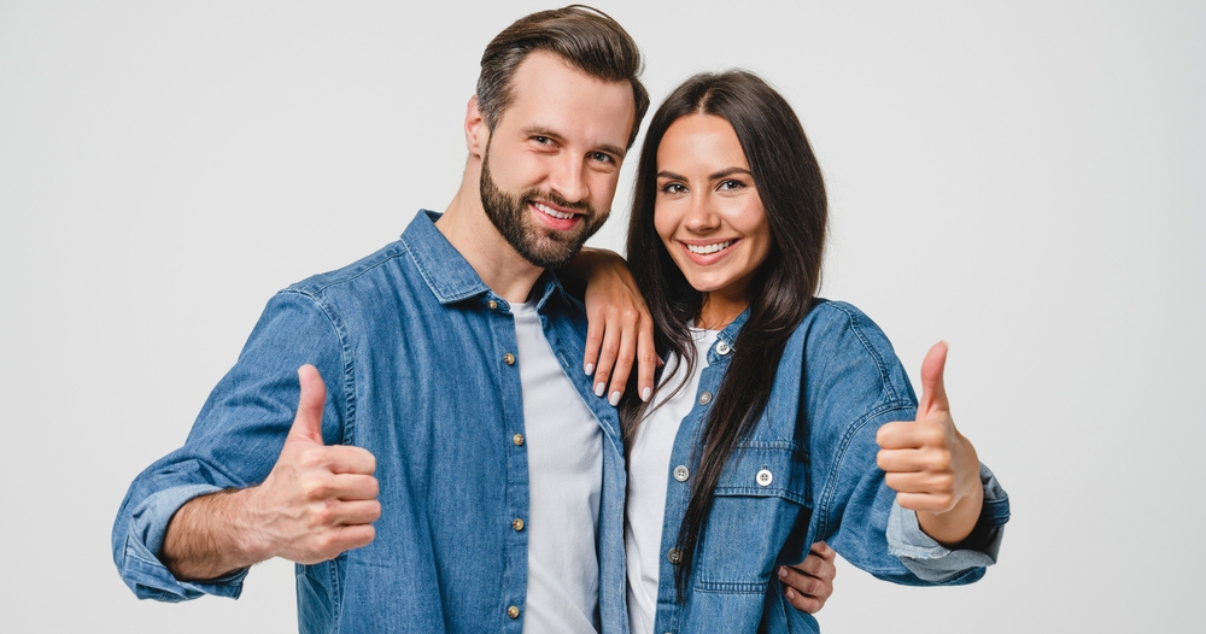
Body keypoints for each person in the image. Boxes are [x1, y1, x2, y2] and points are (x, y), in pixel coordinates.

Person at [111, 7, 834, 633]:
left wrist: (781, 551)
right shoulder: (339, 323)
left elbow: (664, 512)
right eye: (543, 141)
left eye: (603, 157)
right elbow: (145, 529)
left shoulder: (611, 327)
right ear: (477, 125)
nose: (571, 185)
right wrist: (258, 522)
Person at [618, 70, 1010, 633]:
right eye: (674, 186)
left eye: (731, 184)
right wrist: (598, 266)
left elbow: (899, 529)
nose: (698, 217)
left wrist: (954, 496)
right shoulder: (615, 332)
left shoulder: (824, 348)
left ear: (781, 193)